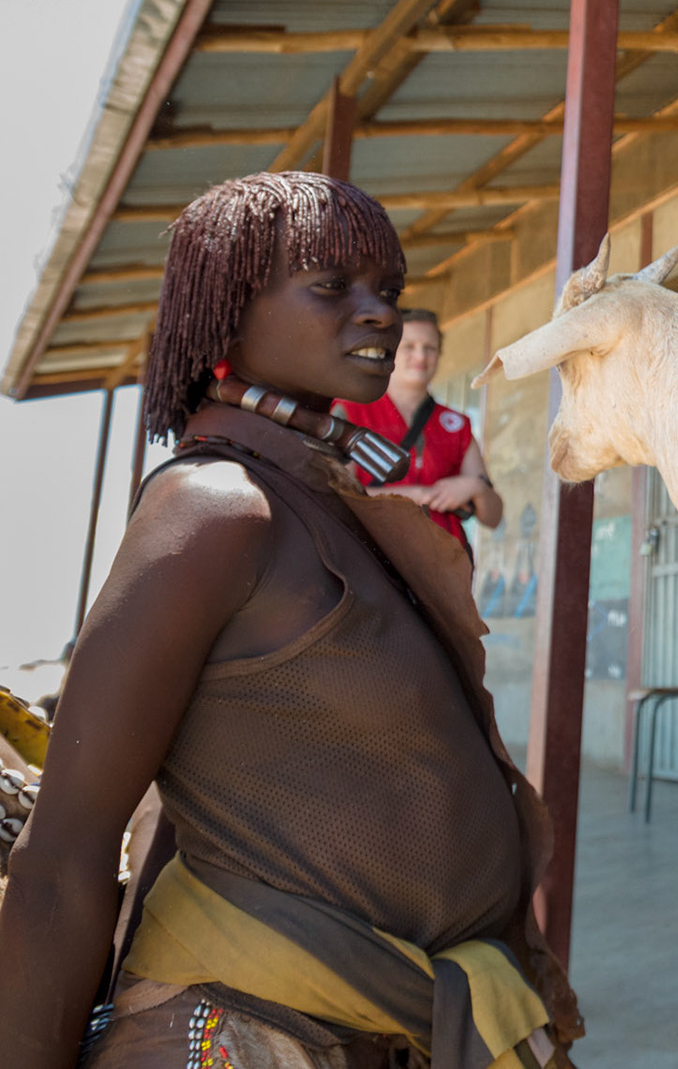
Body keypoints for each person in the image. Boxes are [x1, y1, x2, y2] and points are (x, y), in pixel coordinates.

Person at [0, 173, 580, 1069]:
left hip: (372, 1032)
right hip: (248, 1033)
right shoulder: (212, 510)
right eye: (331, 285)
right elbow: (61, 858)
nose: (380, 314)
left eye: (387, 291)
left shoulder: (318, 499)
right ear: (227, 307)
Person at [336, 308, 503, 557]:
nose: (420, 355)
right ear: (388, 350)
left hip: (444, 565)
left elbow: (493, 517)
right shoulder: (350, 411)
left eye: (430, 348)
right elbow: (337, 497)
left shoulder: (456, 424)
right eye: (409, 346)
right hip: (372, 560)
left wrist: (474, 489)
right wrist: (416, 495)